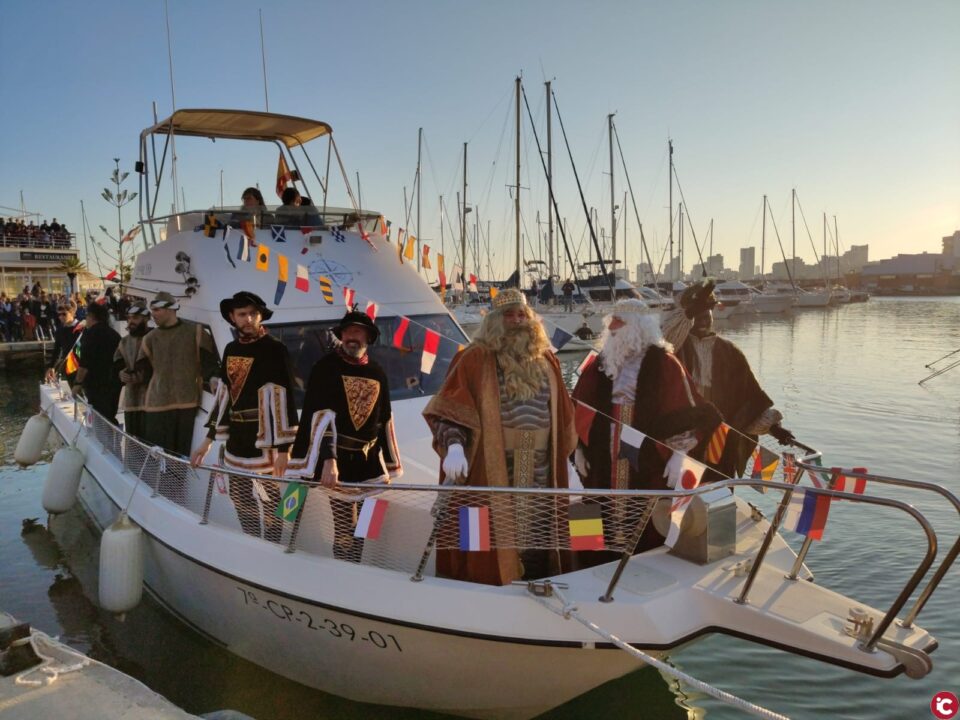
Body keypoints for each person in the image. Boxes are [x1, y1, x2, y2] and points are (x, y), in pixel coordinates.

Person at [422, 288, 577, 585]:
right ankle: (478, 583)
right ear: (494, 320)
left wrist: (569, 454)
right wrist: (454, 445)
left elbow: (564, 413)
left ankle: (537, 579)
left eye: (522, 314)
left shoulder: (547, 360)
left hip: (542, 464)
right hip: (491, 464)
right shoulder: (474, 359)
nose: (517, 320)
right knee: (484, 527)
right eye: (509, 315)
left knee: (538, 527)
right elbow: (450, 408)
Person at [571, 299, 720, 554]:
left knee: (649, 512)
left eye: (620, 322)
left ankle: (645, 557)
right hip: (600, 453)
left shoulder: (665, 363)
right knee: (590, 503)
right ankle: (588, 559)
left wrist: (680, 453)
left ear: (638, 327)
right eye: (612, 322)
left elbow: (688, 410)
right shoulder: (600, 363)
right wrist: (577, 448)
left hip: (648, 454)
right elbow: (579, 405)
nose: (613, 327)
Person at [286, 311, 402, 561]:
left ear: (368, 337)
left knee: (364, 527)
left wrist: (390, 465)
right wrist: (329, 460)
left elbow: (384, 418)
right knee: (345, 526)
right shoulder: (326, 367)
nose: (352, 337)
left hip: (368, 463)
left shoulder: (377, 371)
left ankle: (356, 570)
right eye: (348, 332)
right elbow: (320, 415)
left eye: (358, 332)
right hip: (338, 463)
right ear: (341, 335)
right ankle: (343, 576)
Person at [190, 292, 298, 542]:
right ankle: (252, 541)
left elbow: (287, 397)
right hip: (236, 440)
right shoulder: (230, 349)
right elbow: (224, 397)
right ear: (232, 317)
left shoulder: (276, 350)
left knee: (271, 498)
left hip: (266, 439)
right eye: (242, 314)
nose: (248, 319)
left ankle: (273, 546)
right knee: (240, 496)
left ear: (260, 316)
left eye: (253, 313)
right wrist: (208, 440)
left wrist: (284, 449)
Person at [663, 280, 794, 479]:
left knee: (719, 492)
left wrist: (775, 428)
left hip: (721, 438)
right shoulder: (674, 349)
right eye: (697, 315)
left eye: (707, 314)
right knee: (681, 492)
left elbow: (750, 396)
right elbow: (663, 339)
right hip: (682, 438)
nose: (703, 320)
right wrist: (688, 311)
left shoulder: (730, 352)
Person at [136, 291, 218, 479]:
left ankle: (175, 493)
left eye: (157, 310)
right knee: (157, 456)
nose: (153, 314)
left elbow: (209, 364)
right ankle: (158, 494)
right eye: (152, 310)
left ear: (170, 309)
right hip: (156, 404)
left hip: (186, 403)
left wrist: (213, 377)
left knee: (179, 458)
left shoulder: (195, 332)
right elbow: (143, 372)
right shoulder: (149, 338)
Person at [73, 302, 122, 427]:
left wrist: (77, 383)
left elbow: (85, 362)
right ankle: (114, 441)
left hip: (96, 383)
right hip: (114, 382)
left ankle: (104, 442)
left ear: (91, 316)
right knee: (110, 413)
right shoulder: (114, 334)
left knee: (99, 415)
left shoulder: (90, 335)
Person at [113, 302, 152, 440]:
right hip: (131, 401)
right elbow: (117, 362)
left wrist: (141, 376)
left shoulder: (155, 337)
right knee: (133, 441)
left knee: (151, 443)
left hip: (152, 400)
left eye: (135, 318)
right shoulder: (124, 341)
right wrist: (121, 373)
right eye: (129, 318)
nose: (131, 321)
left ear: (146, 318)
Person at [45, 300, 83, 384]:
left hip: (82, 366)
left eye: (64, 314)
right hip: (69, 366)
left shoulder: (81, 328)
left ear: (71, 313)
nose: (61, 317)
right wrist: (51, 366)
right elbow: (56, 349)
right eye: (59, 314)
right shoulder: (60, 330)